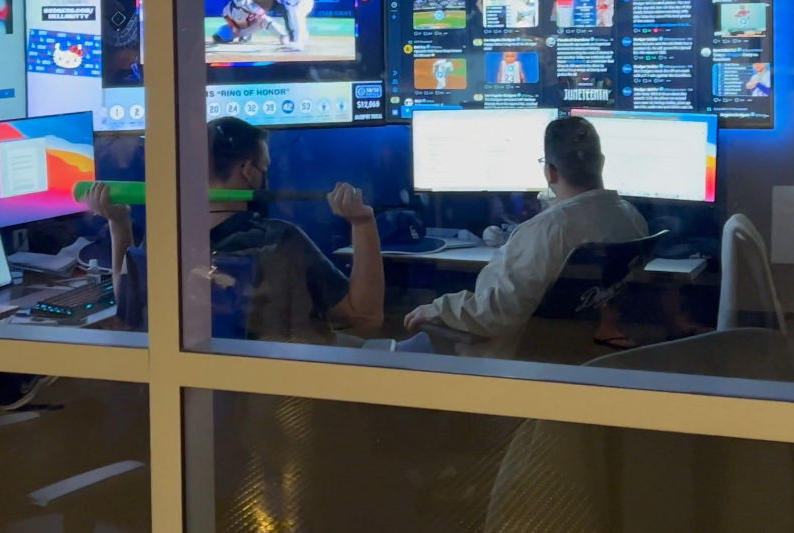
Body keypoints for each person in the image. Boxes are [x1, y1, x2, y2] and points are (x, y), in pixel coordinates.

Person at [77, 117, 384, 341]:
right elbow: (365, 317)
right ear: (248, 172)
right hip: (280, 399)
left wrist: (119, 224)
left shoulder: (162, 241)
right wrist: (363, 222)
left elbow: (127, 300)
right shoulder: (278, 241)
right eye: (265, 167)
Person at [403, 115, 648, 357]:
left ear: (550, 172)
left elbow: (495, 313)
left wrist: (438, 309)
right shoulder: (632, 218)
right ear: (601, 163)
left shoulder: (548, 230)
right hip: (577, 353)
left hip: (517, 363)